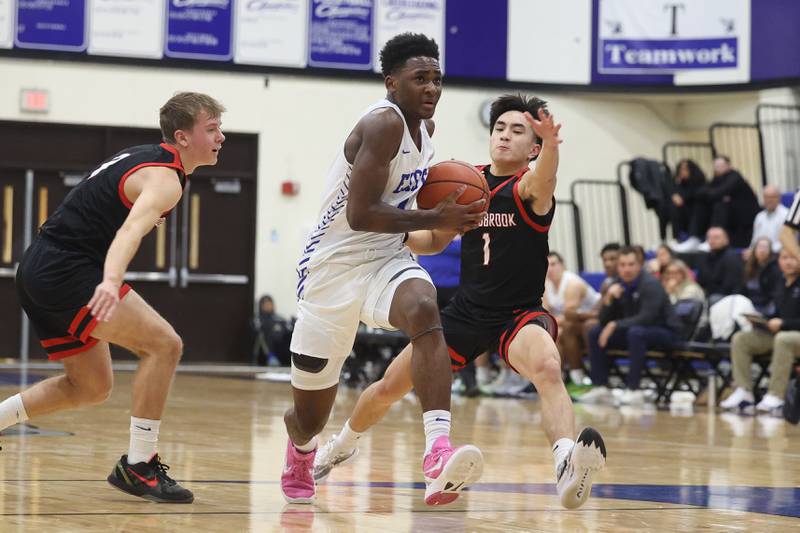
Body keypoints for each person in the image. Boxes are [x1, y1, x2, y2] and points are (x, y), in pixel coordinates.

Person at [313, 93, 607, 511]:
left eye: (517, 131)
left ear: (534, 147)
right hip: (466, 312)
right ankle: (341, 446)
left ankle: (565, 463)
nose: (505, 136)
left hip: (518, 313)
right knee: (387, 388)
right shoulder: (468, 183)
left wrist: (553, 147)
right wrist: (394, 232)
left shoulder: (529, 188)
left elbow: (545, 179)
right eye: (500, 128)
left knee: (547, 366)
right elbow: (434, 241)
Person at [281, 33, 487, 506]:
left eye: (437, 79)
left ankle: (437, 448)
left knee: (424, 306)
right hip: (331, 270)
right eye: (420, 79)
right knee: (309, 415)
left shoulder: (425, 133)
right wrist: (436, 218)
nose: (432, 88)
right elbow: (361, 214)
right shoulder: (381, 124)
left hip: (385, 257)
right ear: (392, 83)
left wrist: (450, 226)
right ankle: (300, 449)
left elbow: (399, 219)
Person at [0, 92, 226, 503]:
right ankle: (140, 466)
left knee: (90, 386)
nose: (221, 137)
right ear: (182, 137)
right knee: (165, 345)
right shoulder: (166, 178)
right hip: (68, 271)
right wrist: (109, 280)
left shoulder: (147, 157)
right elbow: (127, 233)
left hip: (39, 267)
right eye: (211, 129)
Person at [581, 246, 682, 406]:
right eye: (622, 265)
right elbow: (603, 320)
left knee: (636, 333)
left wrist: (616, 324)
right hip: (635, 332)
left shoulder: (650, 284)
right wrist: (608, 301)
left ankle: (633, 389)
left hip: (666, 332)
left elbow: (648, 318)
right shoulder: (617, 284)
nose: (626, 269)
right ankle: (600, 386)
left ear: (639, 265)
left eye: (631, 264)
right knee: (595, 332)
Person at [721, 249, 800, 414]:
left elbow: (784, 322)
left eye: (793, 258)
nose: (788, 262)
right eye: (785, 258)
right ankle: (744, 390)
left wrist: (784, 323)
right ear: (778, 262)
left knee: (783, 339)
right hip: (780, 334)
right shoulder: (780, 283)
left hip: (790, 335)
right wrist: (761, 320)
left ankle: (776, 395)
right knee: (741, 339)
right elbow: (775, 313)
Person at [544, 251, 600, 386]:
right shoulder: (546, 284)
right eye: (547, 265)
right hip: (569, 325)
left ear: (563, 266)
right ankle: (556, 379)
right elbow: (545, 313)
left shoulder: (572, 283)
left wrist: (548, 324)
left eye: (553, 264)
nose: (550, 268)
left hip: (591, 321)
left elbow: (570, 316)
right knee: (549, 334)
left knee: (558, 333)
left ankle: (569, 378)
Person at [696, 226, 744, 303]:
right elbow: (701, 281)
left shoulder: (731, 257)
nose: (712, 240)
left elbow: (732, 286)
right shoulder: (705, 257)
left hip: (729, 297)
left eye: (716, 237)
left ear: (726, 240)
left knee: (713, 299)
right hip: (711, 295)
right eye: (709, 237)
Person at [669, 159, 707, 247]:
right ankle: (677, 237)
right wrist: (678, 184)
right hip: (686, 210)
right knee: (673, 207)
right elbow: (675, 195)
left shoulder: (700, 182)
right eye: (681, 169)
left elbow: (694, 195)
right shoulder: (680, 183)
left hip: (699, 210)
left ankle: (693, 237)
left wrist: (682, 198)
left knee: (698, 207)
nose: (682, 172)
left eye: (685, 169)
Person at [741, 237, 780, 315]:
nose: (762, 250)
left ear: (770, 251)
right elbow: (743, 289)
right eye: (760, 247)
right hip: (749, 303)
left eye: (765, 247)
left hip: (765, 306)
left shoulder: (774, 268)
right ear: (754, 249)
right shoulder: (748, 267)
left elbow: (773, 294)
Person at [747, 185, 788, 255]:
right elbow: (755, 239)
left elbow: (786, 242)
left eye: (773, 197)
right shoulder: (759, 216)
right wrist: (750, 250)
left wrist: (766, 251)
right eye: (766, 197)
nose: (769, 200)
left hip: (778, 254)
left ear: (779, 198)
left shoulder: (787, 215)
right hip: (760, 254)